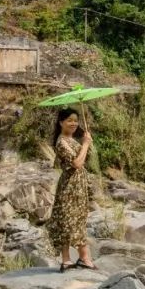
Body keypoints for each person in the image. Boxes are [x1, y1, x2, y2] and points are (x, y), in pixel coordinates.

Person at [46, 107, 96, 271]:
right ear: (61, 123)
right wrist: (86, 145)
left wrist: (87, 143)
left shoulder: (72, 140)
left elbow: (85, 159)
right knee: (68, 220)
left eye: (75, 120)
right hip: (69, 187)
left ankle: (76, 259)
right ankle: (76, 258)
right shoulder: (61, 142)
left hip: (78, 185)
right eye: (70, 120)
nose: (74, 123)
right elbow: (76, 164)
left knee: (78, 219)